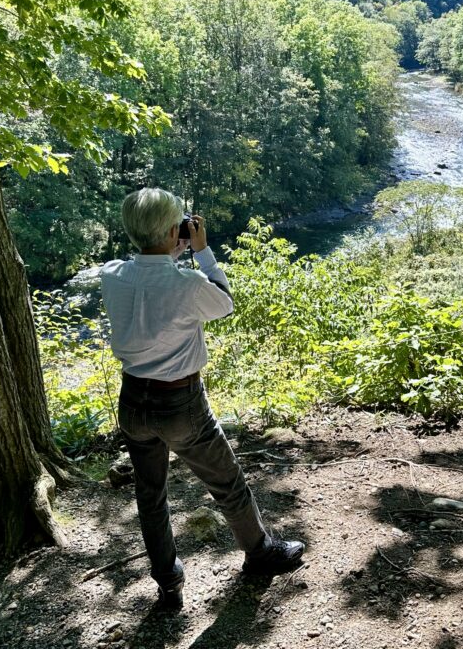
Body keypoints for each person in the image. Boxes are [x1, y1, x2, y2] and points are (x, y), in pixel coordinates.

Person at [100, 188, 305, 610]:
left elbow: (149, 276)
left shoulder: (111, 274)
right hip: (180, 402)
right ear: (176, 230)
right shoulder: (189, 282)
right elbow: (224, 304)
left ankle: (167, 582)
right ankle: (261, 553)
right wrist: (202, 251)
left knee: (150, 494)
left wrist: (170, 250)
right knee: (226, 483)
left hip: (132, 401)